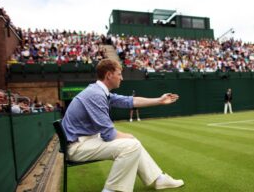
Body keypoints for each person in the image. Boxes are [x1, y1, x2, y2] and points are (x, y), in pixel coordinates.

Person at [62, 59, 184, 192]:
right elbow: (109, 135)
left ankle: (159, 179)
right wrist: (130, 137)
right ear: (109, 75)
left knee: (132, 142)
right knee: (131, 144)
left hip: (86, 140)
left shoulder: (100, 91)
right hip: (77, 147)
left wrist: (159, 100)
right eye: (119, 74)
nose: (122, 77)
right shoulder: (96, 94)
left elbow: (130, 101)